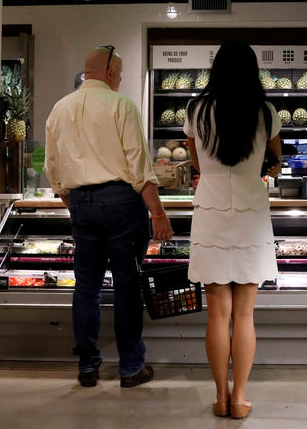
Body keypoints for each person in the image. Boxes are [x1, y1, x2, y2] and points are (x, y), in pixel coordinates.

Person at [44, 45, 173, 389]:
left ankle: (88, 366)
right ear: (112, 74)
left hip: (80, 201)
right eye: (121, 74)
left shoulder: (59, 109)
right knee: (126, 286)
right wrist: (158, 212)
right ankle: (131, 367)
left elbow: (53, 169)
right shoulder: (122, 105)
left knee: (86, 287)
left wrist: (75, 203)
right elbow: (140, 169)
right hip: (121, 201)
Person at [183, 40, 281, 420]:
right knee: (244, 315)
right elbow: (275, 162)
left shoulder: (196, 109)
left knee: (217, 314)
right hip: (252, 213)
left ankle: (220, 395)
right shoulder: (265, 111)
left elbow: (195, 161)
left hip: (209, 211)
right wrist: (265, 172)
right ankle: (240, 397)